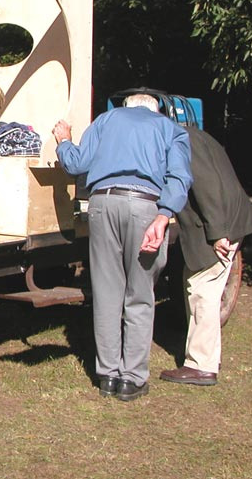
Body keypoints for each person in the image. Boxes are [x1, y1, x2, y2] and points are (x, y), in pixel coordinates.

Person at [52, 93, 192, 401]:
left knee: (106, 291)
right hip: (145, 207)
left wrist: (64, 140)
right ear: (155, 110)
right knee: (140, 294)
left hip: (102, 203)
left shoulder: (106, 120)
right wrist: (164, 215)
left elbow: (76, 164)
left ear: (126, 108)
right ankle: (132, 379)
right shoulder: (171, 129)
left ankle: (108, 377)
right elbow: (180, 179)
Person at [160, 126, 252, 386]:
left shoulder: (184, 141)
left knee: (203, 290)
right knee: (200, 286)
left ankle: (201, 365)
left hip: (220, 225)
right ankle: (207, 356)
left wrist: (218, 233)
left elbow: (207, 186)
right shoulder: (193, 134)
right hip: (226, 220)